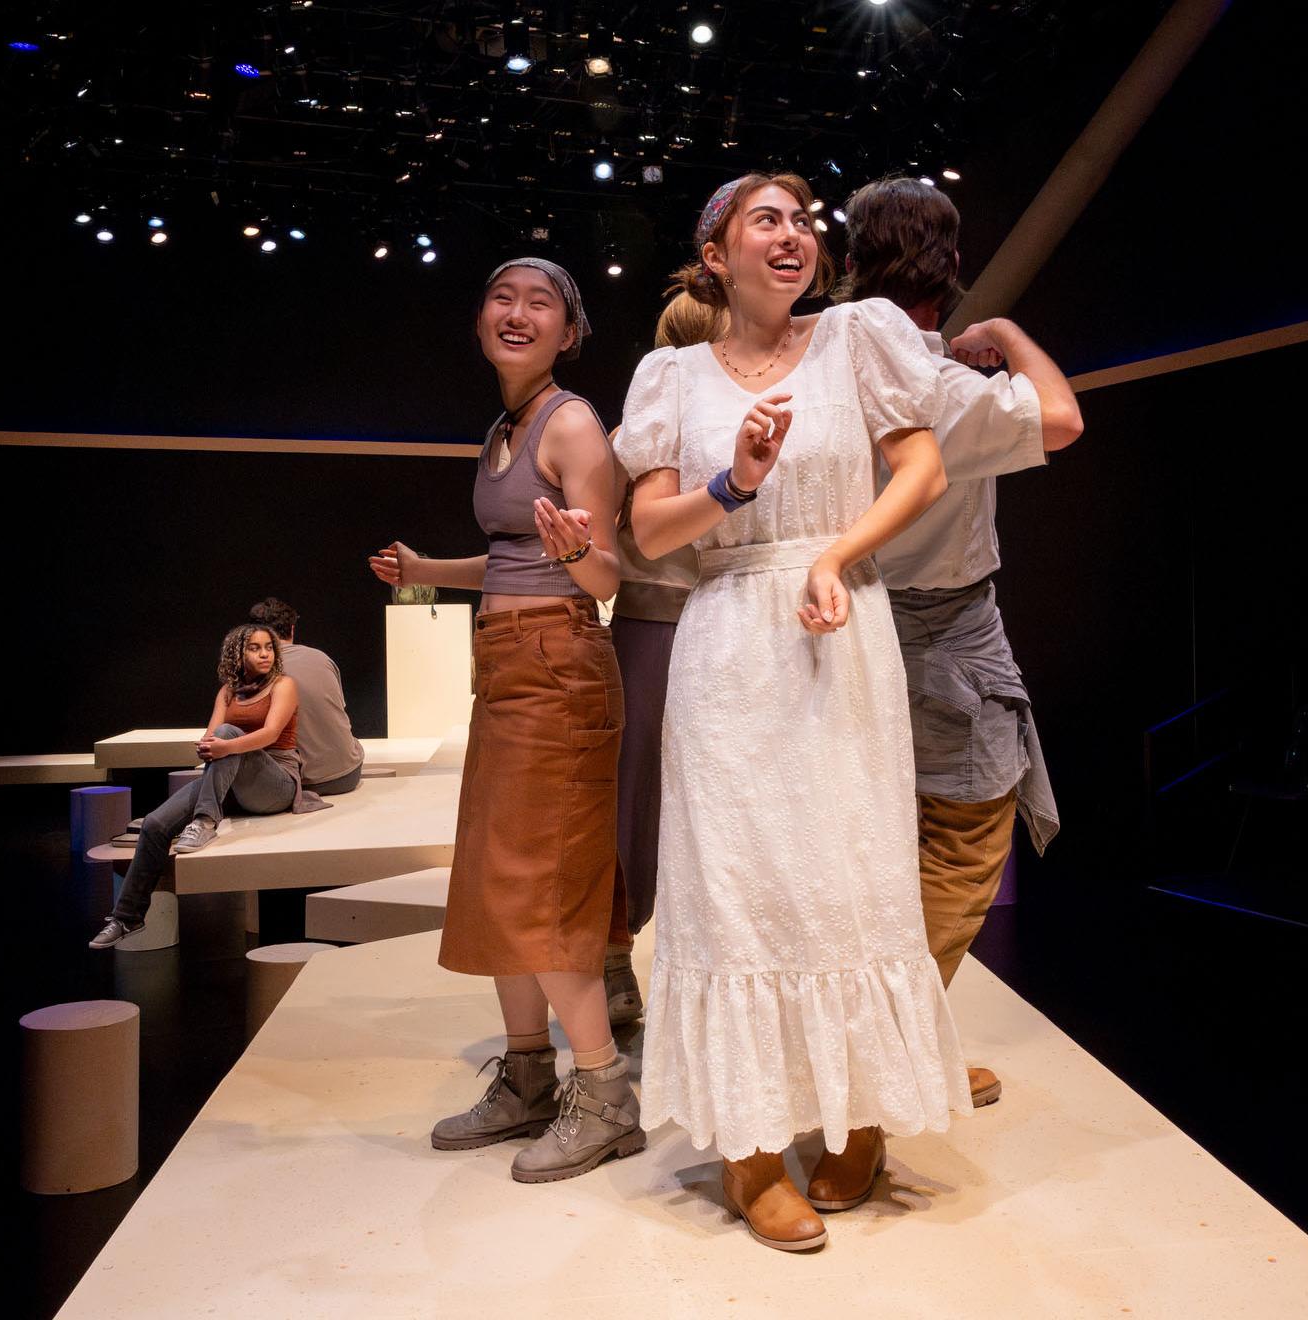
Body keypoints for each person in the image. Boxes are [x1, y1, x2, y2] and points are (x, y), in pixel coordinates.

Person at [615, 174, 968, 1251]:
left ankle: (859, 1115)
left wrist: (838, 552)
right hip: (728, 648)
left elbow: (925, 468)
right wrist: (732, 482)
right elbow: (649, 536)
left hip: (839, 627)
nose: (795, 236)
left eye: (803, 221)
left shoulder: (861, 336)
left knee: (853, 872)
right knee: (740, 890)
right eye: (765, 219)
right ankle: (753, 1150)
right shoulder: (670, 373)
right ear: (714, 253)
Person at [367, 257, 641, 1184]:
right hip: (509, 668)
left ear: (570, 334)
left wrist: (581, 553)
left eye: (542, 305)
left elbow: (606, 575)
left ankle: (603, 1094)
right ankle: (527, 1077)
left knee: (546, 881)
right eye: (503, 298)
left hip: (560, 665)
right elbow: (513, 554)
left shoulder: (570, 424)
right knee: (496, 875)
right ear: (480, 319)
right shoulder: (502, 427)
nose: (517, 314)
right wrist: (426, 571)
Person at [834, 174, 1084, 1123]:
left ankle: (899, 1046)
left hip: (845, 621)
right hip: (940, 633)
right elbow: (1061, 418)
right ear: (951, 268)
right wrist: (1008, 336)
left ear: (852, 262)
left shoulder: (822, 367)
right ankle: (886, 1055)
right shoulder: (940, 384)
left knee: (873, 853)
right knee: (967, 840)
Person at [598, 292, 724, 1027]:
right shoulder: (637, 427)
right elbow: (602, 536)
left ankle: (691, 968)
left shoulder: (746, 420)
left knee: (708, 801)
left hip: (731, 623)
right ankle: (615, 955)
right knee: (634, 797)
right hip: (650, 628)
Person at [89, 623, 330, 948]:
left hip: (276, 783)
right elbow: (211, 735)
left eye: (269, 647)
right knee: (155, 824)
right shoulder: (228, 692)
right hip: (232, 781)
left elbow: (271, 734)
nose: (264, 654)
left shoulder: (283, 685)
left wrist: (224, 746)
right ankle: (127, 917)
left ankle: (205, 821)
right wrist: (207, 746)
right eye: (255, 648)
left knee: (229, 735)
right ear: (237, 653)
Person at [246, 597, 366, 797]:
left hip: (304, 782)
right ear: (292, 629)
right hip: (349, 773)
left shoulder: (255, 669)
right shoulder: (321, 658)